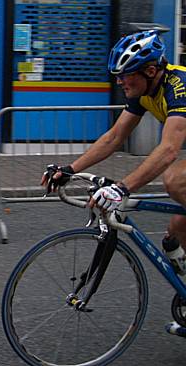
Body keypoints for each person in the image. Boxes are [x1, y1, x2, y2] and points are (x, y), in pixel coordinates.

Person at [41, 30, 186, 334]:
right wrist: (70, 168)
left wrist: (122, 188)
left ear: (150, 71)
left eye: (125, 76)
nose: (120, 82)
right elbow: (114, 138)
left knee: (175, 178)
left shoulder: (178, 86)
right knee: (176, 230)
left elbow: (169, 149)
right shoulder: (144, 92)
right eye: (117, 76)